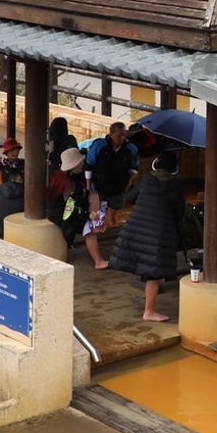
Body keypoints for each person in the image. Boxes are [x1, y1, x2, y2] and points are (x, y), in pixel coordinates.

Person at [109, 153, 184, 321]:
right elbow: (180, 211)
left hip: (136, 228)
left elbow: (128, 199)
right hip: (160, 232)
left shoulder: (146, 180)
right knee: (153, 274)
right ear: (174, 169)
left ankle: (149, 310)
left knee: (146, 266)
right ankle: (149, 311)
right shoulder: (174, 186)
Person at [83, 121, 140, 268]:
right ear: (111, 134)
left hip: (118, 188)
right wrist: (89, 186)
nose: (122, 138)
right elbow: (89, 165)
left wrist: (128, 184)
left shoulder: (130, 149)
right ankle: (99, 237)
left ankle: (111, 226)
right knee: (97, 217)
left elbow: (134, 167)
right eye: (119, 135)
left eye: (124, 134)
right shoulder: (99, 146)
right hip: (99, 187)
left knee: (114, 212)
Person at [48, 146, 88, 249]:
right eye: (80, 162)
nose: (82, 164)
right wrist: (85, 215)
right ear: (73, 166)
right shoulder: (65, 182)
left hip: (68, 208)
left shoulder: (74, 176)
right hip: (59, 212)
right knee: (86, 225)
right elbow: (68, 208)